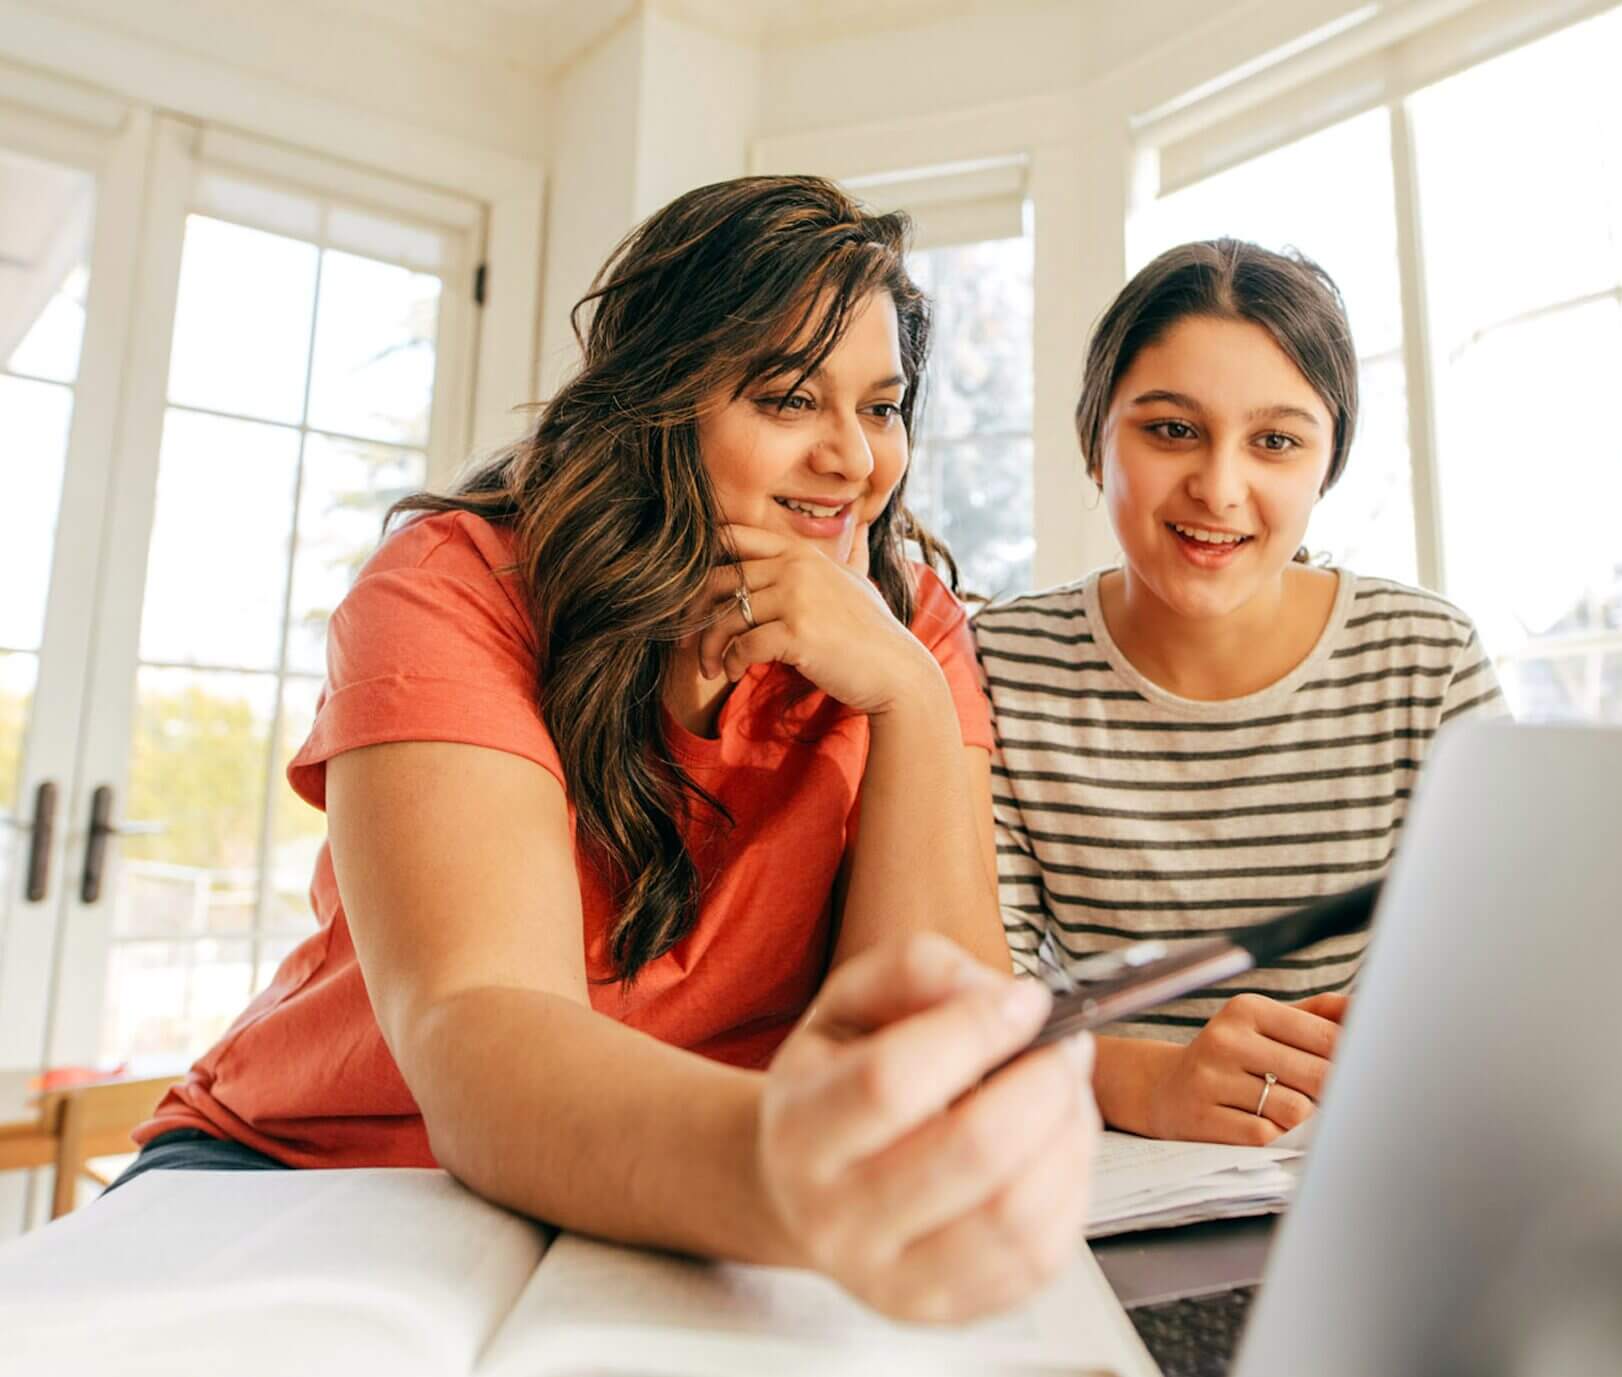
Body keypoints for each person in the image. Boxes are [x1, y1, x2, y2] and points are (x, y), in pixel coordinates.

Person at [121, 176, 1098, 1324]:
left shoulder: (906, 626)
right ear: (659, 400)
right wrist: (788, 1168)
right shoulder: (456, 585)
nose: (853, 461)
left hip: (671, 1201)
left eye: (879, 408)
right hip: (326, 1176)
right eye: (789, 399)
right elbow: (480, 1033)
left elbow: (931, 1038)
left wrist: (912, 701)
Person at [976, 238, 1507, 1148]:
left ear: (1327, 463)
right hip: (1099, 1182)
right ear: (1095, 441)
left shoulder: (1428, 659)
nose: (1220, 488)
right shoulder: (998, 665)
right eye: (1171, 429)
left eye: (1276, 441)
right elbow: (977, 1014)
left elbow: (1503, 985)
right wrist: (1145, 1080)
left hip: (1366, 1167)